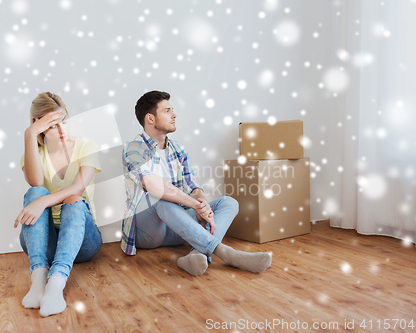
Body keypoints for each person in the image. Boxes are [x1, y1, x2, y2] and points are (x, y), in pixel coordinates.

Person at [121, 91, 272, 276]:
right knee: (160, 197)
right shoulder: (133, 149)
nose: (174, 115)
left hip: (177, 226)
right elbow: (153, 185)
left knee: (228, 202)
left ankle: (197, 254)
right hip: (148, 232)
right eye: (167, 111)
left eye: (172, 110)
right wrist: (195, 205)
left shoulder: (177, 149)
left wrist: (203, 204)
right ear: (150, 118)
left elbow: (193, 186)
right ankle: (226, 253)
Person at [15, 92, 102, 317]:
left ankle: (56, 284)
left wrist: (43, 202)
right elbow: (36, 183)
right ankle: (38, 280)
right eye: (53, 126)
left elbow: (77, 189)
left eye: (64, 121)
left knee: (73, 199)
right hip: (42, 244)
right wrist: (29, 134)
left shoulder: (86, 146)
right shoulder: (34, 153)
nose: (62, 130)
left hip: (81, 241)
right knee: (35, 191)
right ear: (41, 127)